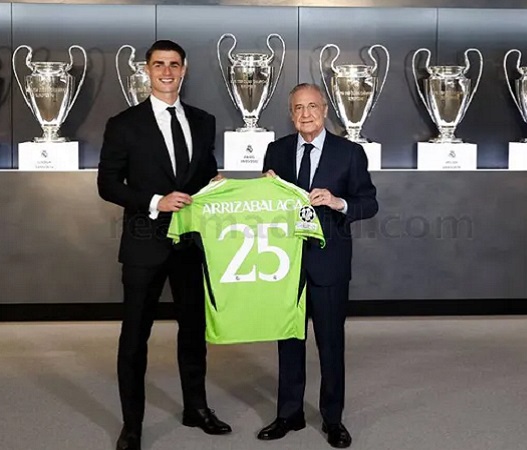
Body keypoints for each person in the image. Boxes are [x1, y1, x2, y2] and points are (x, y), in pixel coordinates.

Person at [97, 40, 231, 450]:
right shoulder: (123, 124)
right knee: (135, 336)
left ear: (184, 69)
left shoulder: (204, 121)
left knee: (193, 331)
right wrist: (155, 201)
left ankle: (196, 408)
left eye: (174, 64)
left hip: (190, 243)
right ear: (148, 70)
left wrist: (217, 185)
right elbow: (107, 184)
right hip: (144, 243)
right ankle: (132, 426)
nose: (167, 71)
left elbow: (205, 172)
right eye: (159, 65)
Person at [258, 83, 378, 448]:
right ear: (291, 114)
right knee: (289, 343)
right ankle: (288, 414)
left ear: (325, 110)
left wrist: (338, 201)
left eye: (312, 106)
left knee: (330, 344)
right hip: (286, 264)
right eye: (298, 108)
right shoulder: (275, 151)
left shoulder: (349, 153)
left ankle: (332, 419)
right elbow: (267, 207)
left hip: (330, 266)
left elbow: (369, 203)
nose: (305, 114)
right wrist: (262, 190)